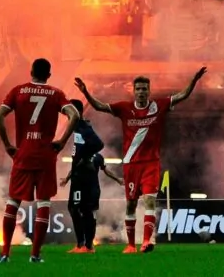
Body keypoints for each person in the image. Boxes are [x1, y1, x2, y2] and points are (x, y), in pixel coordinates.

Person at [75, 66, 207, 253]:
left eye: (144, 88)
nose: (141, 92)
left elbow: (182, 96)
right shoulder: (124, 108)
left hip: (151, 164)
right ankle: (131, 245)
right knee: (131, 204)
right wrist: (85, 92)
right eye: (138, 89)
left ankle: (146, 241)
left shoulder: (159, 106)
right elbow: (100, 106)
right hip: (131, 165)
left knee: (150, 201)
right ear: (134, 91)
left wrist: (194, 80)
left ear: (149, 91)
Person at [0, 58, 80, 264]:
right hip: (45, 156)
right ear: (48, 75)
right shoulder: (56, 93)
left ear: (31, 71)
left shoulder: (18, 91)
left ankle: (5, 254)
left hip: (23, 154)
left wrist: (7, 144)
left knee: (13, 201)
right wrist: (62, 141)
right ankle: (35, 255)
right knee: (43, 203)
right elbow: (75, 115)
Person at [60, 99, 123, 254]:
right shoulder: (77, 128)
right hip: (79, 177)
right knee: (80, 210)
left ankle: (84, 245)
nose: (66, 114)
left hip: (84, 180)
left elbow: (99, 144)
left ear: (77, 111)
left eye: (69, 110)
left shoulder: (82, 127)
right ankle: (85, 245)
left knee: (79, 209)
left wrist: (85, 158)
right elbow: (80, 154)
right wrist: (67, 178)